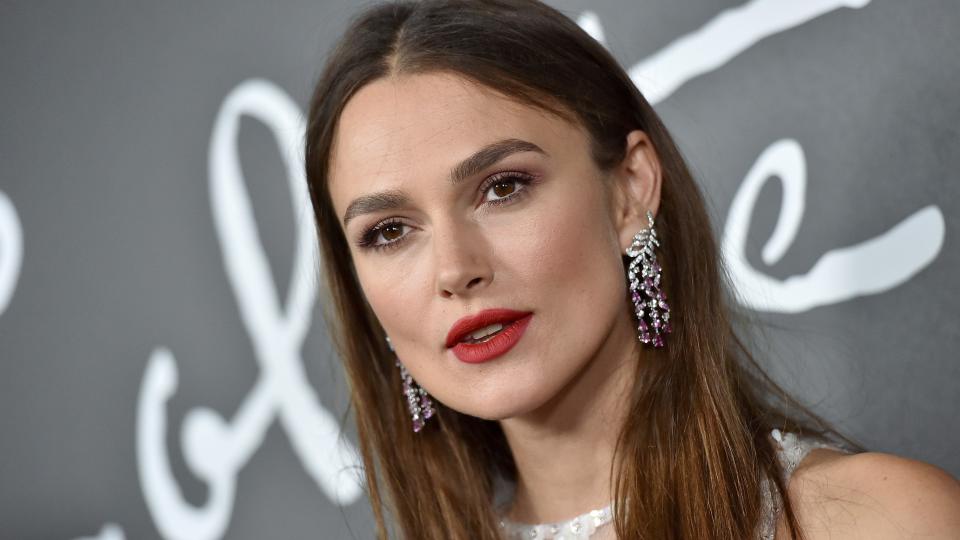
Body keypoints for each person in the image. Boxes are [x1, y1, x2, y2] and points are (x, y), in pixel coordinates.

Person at [302, 1, 960, 538]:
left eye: (502, 188)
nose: (455, 269)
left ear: (630, 190)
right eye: (389, 232)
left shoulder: (875, 522)